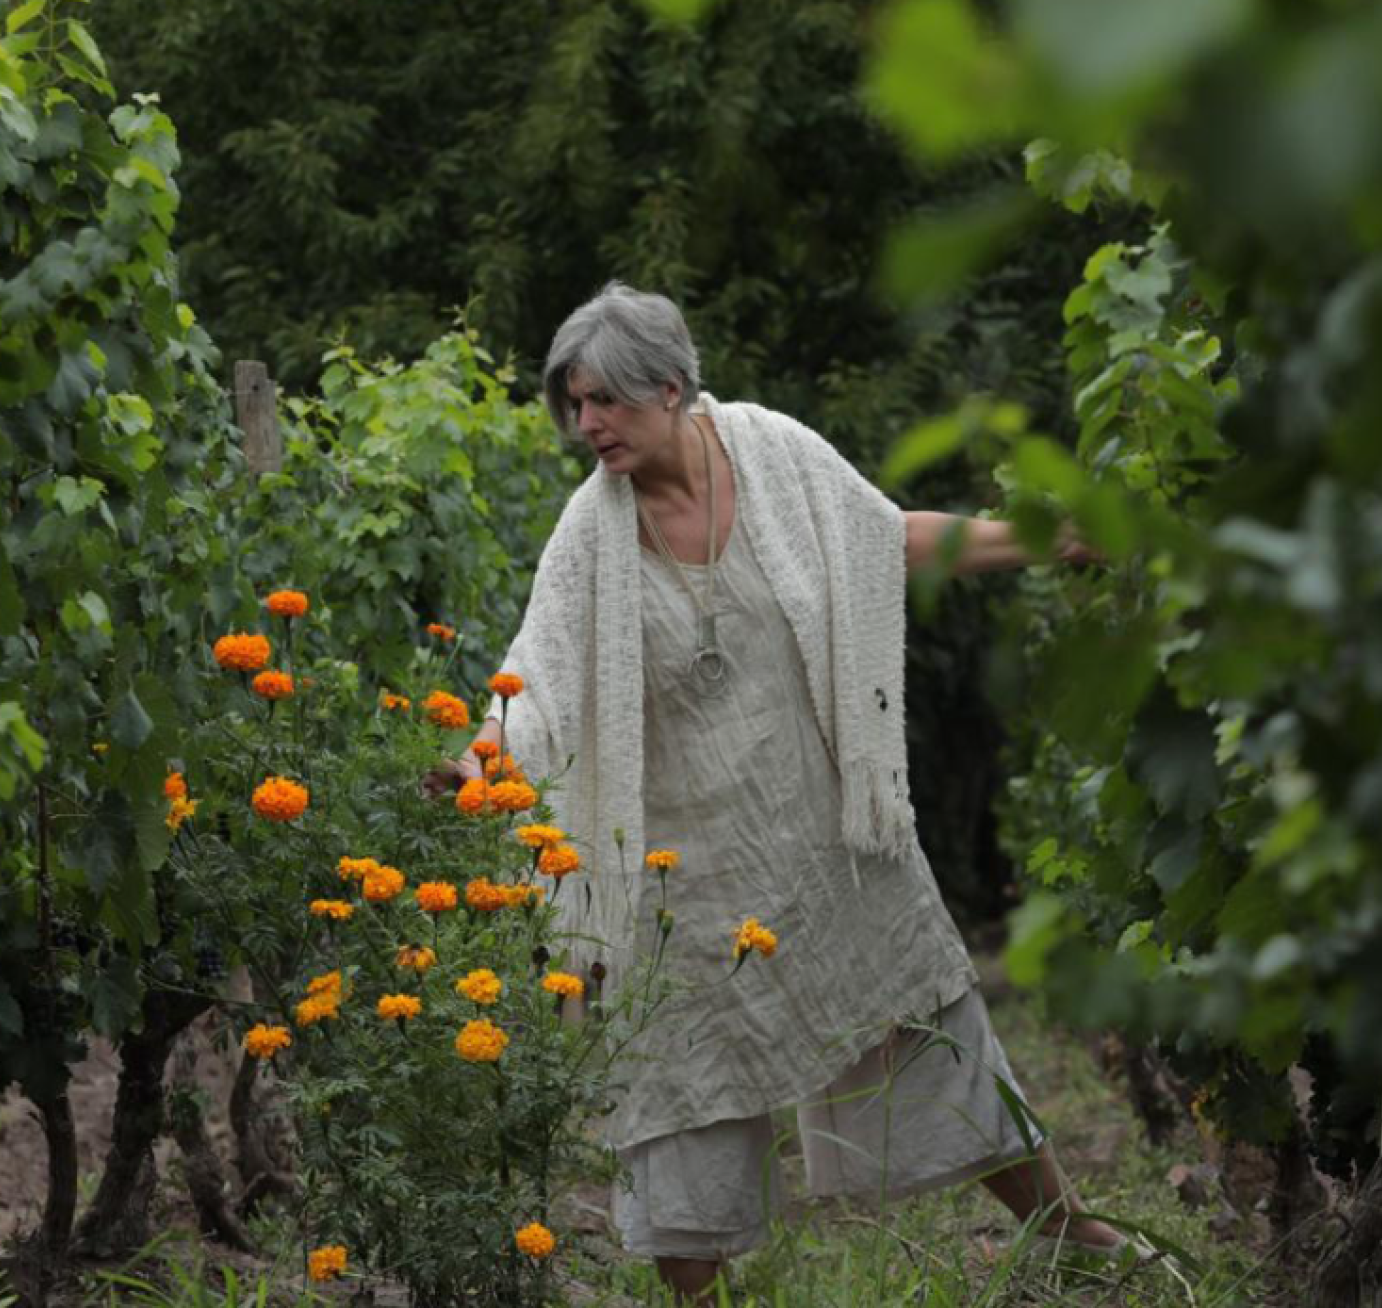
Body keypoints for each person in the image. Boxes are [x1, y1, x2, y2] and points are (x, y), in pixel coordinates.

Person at [429, 282, 1122, 1301]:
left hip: (818, 834)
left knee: (931, 1020)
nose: (586, 426)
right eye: (573, 405)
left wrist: (1044, 538)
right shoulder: (591, 531)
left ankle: (1070, 1236)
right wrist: (482, 760)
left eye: (604, 401)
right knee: (677, 1093)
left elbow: (882, 540)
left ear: (668, 388)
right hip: (676, 875)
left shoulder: (770, 453)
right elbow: (534, 675)